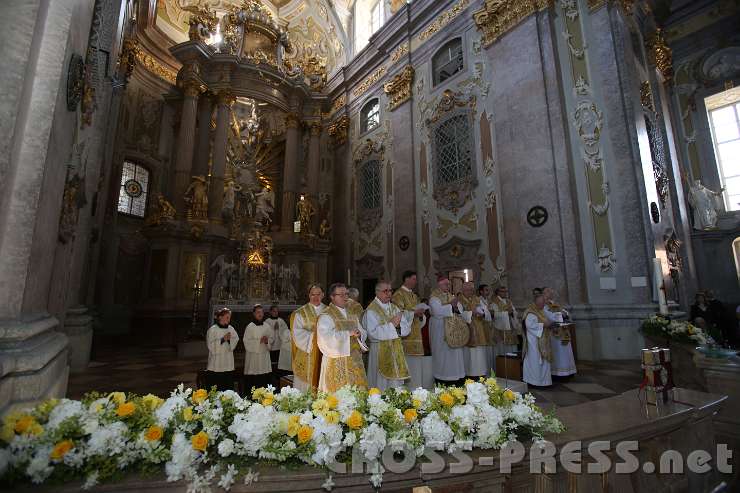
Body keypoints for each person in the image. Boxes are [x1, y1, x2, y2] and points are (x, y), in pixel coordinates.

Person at [316, 283, 368, 392]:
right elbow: (325, 339)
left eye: (347, 294)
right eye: (341, 295)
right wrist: (347, 333)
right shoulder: (326, 315)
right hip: (337, 360)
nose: (345, 297)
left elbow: (362, 331)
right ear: (332, 297)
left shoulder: (351, 314)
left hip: (354, 359)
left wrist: (360, 334)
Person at [363, 280, 411, 390]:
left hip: (395, 350)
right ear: (377, 292)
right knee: (381, 384)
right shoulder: (371, 310)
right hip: (379, 350)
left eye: (390, 291)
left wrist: (398, 327)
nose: (389, 294)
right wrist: (392, 325)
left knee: (395, 384)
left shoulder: (394, 308)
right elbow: (373, 334)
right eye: (385, 291)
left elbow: (406, 328)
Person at [392, 271, 431, 389]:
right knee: (408, 364)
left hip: (416, 334)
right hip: (406, 338)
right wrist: (414, 313)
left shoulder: (414, 295)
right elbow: (397, 313)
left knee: (416, 365)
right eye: (413, 279)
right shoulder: (398, 294)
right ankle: (408, 390)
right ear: (406, 279)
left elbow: (417, 313)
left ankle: (417, 389)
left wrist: (420, 314)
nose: (415, 281)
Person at [429, 275, 471, 385]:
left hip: (453, 329)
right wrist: (451, 306)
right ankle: (443, 378)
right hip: (440, 330)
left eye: (449, 284)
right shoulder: (434, 297)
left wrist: (456, 307)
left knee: (455, 354)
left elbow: (460, 308)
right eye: (445, 284)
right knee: (443, 354)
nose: (448, 286)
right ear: (439, 284)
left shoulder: (450, 296)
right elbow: (436, 311)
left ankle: (456, 376)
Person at [290, 284, 326, 391]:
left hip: (325, 353)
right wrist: (314, 337)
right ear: (309, 295)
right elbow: (297, 333)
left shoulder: (330, 311)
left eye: (318, 294)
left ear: (323, 295)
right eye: (312, 294)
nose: (315, 297)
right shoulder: (300, 313)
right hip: (307, 353)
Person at [460, 281, 491, 378]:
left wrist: (483, 313)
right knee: (468, 354)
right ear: (463, 290)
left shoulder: (477, 299)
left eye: (472, 290)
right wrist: (470, 313)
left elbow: (487, 313)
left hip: (479, 328)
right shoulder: (459, 300)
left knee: (479, 353)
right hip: (466, 330)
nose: (470, 292)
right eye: (468, 290)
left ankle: (480, 374)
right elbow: (459, 314)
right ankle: (468, 374)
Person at [542, 287, 576, 377]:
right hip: (554, 332)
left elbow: (564, 311)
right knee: (558, 353)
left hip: (563, 331)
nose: (550, 292)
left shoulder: (555, 304)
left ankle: (569, 371)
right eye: (547, 291)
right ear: (543, 294)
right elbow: (550, 316)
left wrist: (565, 314)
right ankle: (559, 373)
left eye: (550, 291)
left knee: (566, 352)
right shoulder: (544, 306)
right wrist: (561, 314)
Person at [522, 292, 553, 387]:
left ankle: (544, 382)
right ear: (537, 302)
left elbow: (550, 317)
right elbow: (529, 325)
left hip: (542, 340)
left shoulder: (541, 310)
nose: (544, 304)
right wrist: (544, 325)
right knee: (535, 361)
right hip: (534, 342)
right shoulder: (531, 312)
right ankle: (534, 382)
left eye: (544, 302)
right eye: (542, 303)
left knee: (543, 362)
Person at [205, 307, 239, 391]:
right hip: (216, 365)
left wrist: (230, 340)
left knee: (228, 389)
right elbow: (210, 346)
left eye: (230, 317)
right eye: (227, 317)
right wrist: (223, 339)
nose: (229, 319)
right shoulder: (212, 330)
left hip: (228, 363)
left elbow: (236, 339)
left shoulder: (231, 328)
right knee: (216, 389)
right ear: (220, 317)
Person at [243, 305, 274, 394]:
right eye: (258, 312)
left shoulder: (267, 326)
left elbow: (272, 338)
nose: (260, 314)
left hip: (264, 358)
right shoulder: (250, 327)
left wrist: (267, 340)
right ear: (254, 314)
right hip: (253, 359)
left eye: (261, 312)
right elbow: (246, 341)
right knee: (253, 383)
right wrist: (258, 341)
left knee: (264, 382)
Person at [490, 285, 519, 358]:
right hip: (501, 329)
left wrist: (512, 313)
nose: (505, 293)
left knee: (512, 350)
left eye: (506, 291)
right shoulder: (494, 302)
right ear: (498, 292)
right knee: (502, 350)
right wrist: (506, 313)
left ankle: (512, 364)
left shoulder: (508, 301)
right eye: (502, 291)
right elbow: (494, 314)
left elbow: (515, 312)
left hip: (511, 327)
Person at [267, 305, 291, 381]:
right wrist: (274, 329)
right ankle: (272, 376)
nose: (275, 313)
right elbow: (266, 332)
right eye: (274, 311)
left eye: (277, 311)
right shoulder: (267, 321)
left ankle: (278, 377)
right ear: (270, 312)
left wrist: (279, 329)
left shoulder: (281, 321)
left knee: (279, 363)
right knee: (272, 362)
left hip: (280, 345)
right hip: (272, 346)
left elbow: (286, 332)